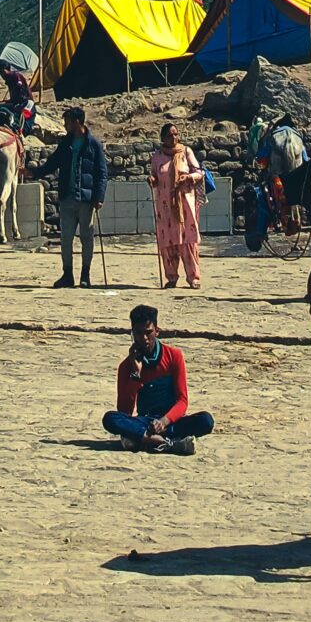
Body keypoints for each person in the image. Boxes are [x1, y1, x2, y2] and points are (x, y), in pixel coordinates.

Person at [106, 305, 213, 453]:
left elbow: (182, 401)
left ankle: (142, 440)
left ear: (157, 331)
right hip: (145, 423)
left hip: (171, 422)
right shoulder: (126, 367)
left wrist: (164, 421)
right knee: (110, 419)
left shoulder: (174, 356)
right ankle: (162, 442)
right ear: (132, 334)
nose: (144, 339)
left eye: (148, 332)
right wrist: (136, 375)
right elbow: (125, 411)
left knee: (206, 420)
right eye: (138, 333)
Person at [32, 105, 108, 289]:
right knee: (66, 239)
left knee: (86, 238)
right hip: (67, 198)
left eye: (67, 122)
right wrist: (33, 173)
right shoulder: (65, 143)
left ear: (76, 122)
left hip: (86, 199)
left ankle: (85, 275)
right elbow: (52, 163)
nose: (64, 125)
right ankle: (67, 275)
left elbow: (102, 172)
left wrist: (99, 197)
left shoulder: (93, 145)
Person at [148, 124, 205, 290]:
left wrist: (189, 177)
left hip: (184, 204)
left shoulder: (185, 153)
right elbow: (155, 175)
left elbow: (199, 172)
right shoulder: (158, 157)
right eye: (169, 135)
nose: (173, 138)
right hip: (165, 206)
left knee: (188, 241)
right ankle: (171, 276)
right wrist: (152, 180)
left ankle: (193, 277)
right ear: (163, 138)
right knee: (168, 242)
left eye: (175, 134)